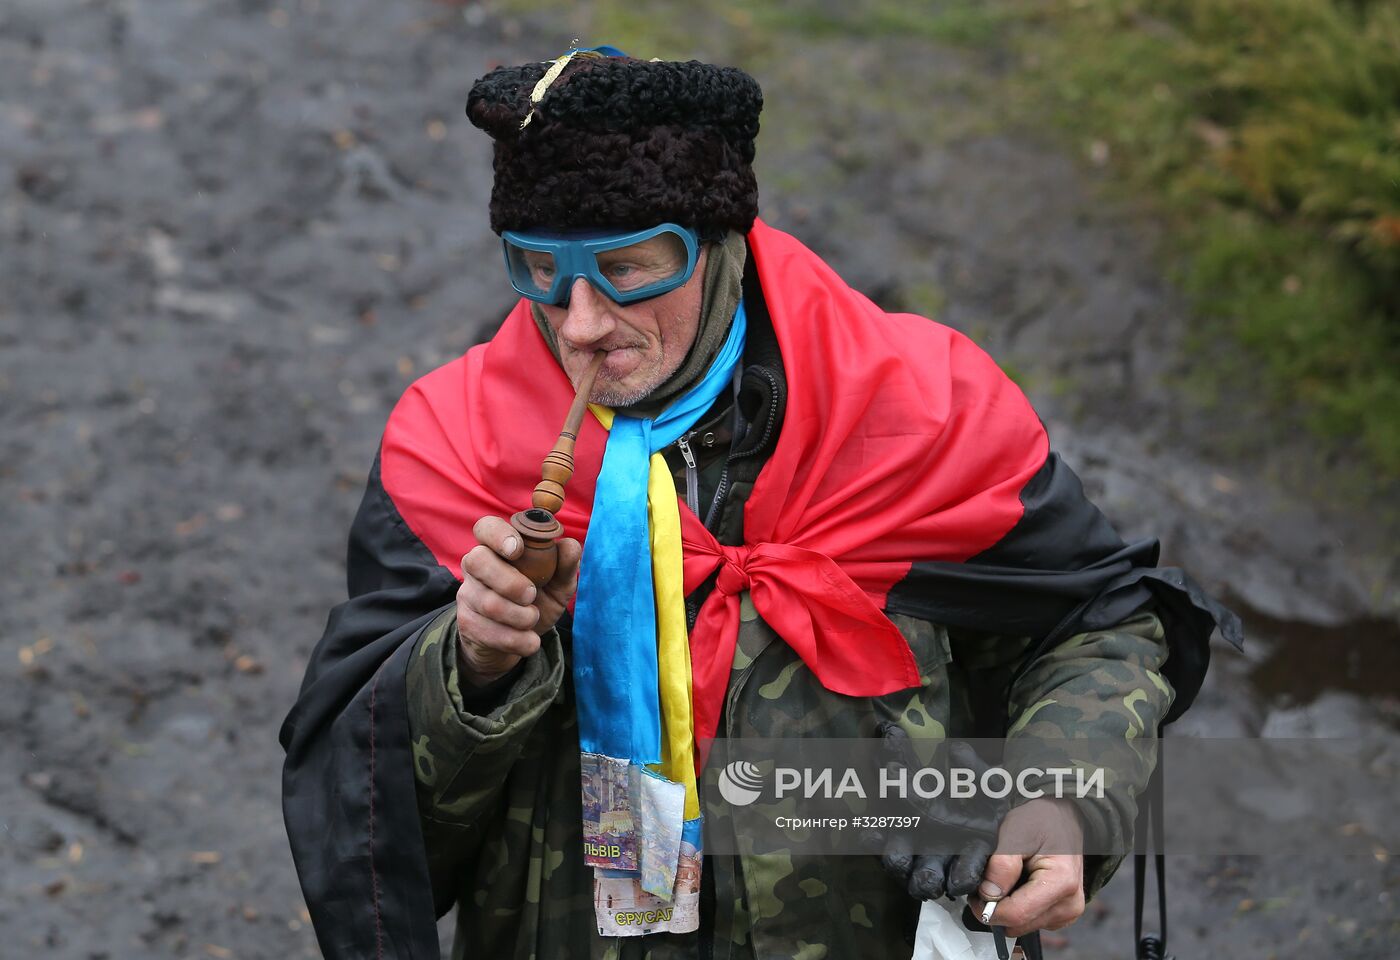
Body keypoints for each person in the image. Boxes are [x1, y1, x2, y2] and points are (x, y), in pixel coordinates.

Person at [279, 47, 1239, 960]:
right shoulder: (453, 448)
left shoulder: (918, 408)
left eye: (628, 268)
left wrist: (1052, 800)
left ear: (719, 241)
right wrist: (474, 667)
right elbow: (369, 795)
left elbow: (1098, 625)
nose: (579, 324)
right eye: (540, 269)